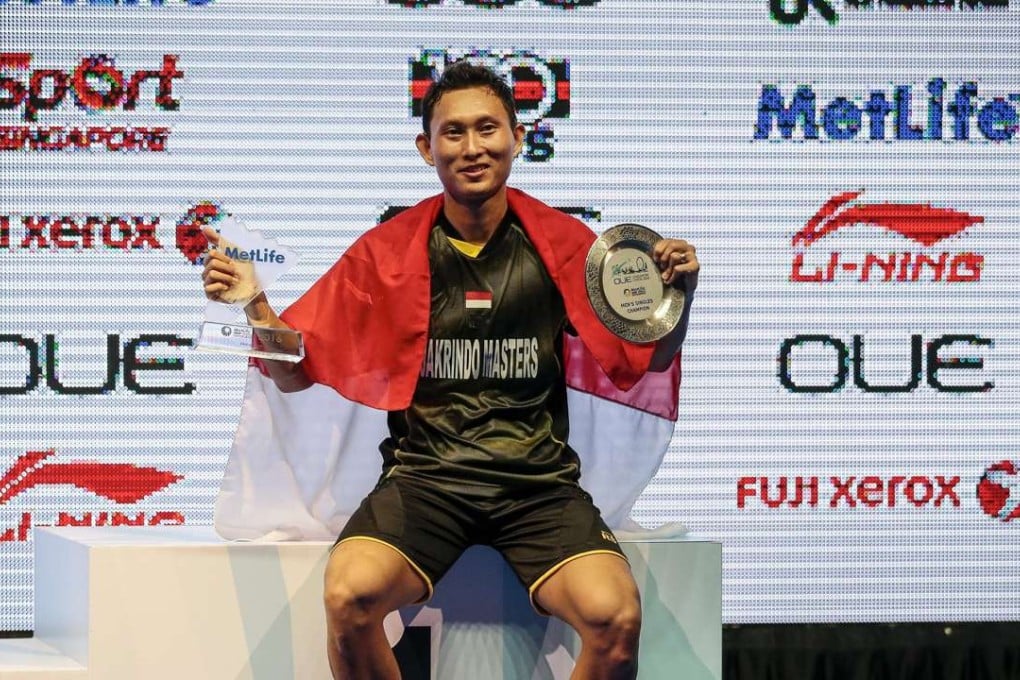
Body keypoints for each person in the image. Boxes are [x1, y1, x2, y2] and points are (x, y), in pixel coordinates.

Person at [202, 61, 698, 680]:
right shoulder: (387, 252)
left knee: (616, 619)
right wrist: (255, 304)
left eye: (487, 129)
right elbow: (296, 370)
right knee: (347, 598)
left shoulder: (562, 243)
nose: (472, 148)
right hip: (426, 483)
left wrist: (676, 296)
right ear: (426, 147)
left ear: (518, 138)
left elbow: (639, 359)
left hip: (536, 487)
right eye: (453, 132)